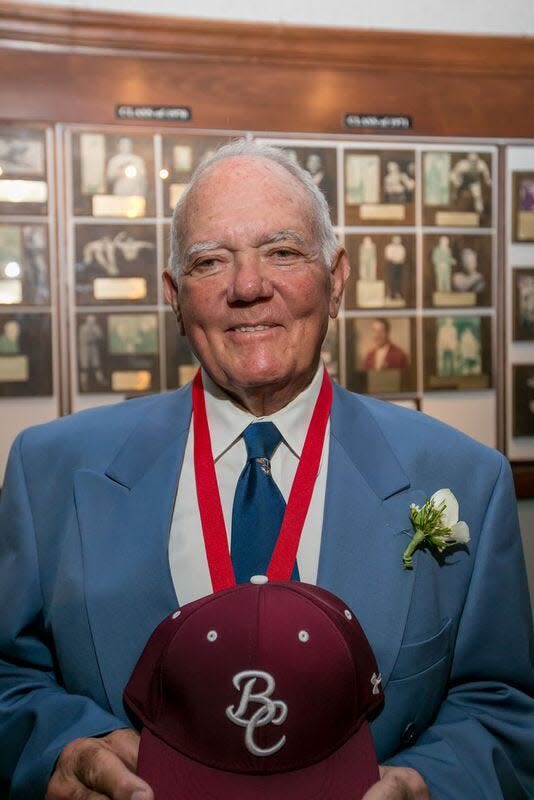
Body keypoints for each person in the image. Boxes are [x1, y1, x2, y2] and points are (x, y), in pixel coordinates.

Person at [0, 140, 533, 800]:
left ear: (336, 279)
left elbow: (502, 706)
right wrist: (62, 748)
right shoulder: (51, 473)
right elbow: (8, 677)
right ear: (174, 295)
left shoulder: (466, 482)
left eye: (282, 252)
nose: (248, 287)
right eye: (209, 261)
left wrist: (430, 783)